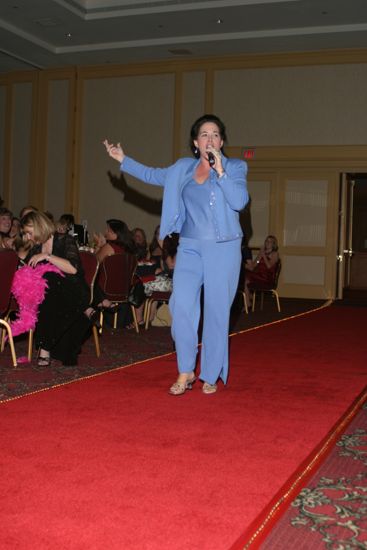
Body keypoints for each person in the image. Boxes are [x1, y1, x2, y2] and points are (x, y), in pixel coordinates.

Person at [103, 113, 249, 395]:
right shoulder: (182, 168)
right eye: (204, 134)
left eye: (215, 134)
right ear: (196, 142)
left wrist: (221, 172)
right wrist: (123, 159)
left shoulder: (235, 167)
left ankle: (210, 373)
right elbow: (152, 174)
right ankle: (186, 369)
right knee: (180, 305)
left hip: (224, 248)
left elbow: (240, 201)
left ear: (221, 141)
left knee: (217, 312)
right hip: (191, 246)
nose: (210, 138)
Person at [19, 211, 92, 366]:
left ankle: (44, 347)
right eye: (26, 234)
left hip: (75, 290)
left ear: (39, 227)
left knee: (50, 281)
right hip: (53, 297)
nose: (29, 237)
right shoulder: (35, 248)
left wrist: (47, 257)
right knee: (45, 288)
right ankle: (83, 315)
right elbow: (25, 272)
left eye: (29, 233)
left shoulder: (65, 240)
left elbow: (73, 269)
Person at [244, 235, 279, 308]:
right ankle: (249, 299)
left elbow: (269, 266)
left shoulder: (275, 254)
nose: (267, 243)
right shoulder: (262, 252)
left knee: (246, 279)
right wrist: (242, 265)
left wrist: (263, 255)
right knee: (244, 277)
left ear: (273, 244)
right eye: (266, 241)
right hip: (259, 275)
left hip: (267, 278)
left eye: (270, 241)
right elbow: (253, 265)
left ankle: (249, 301)